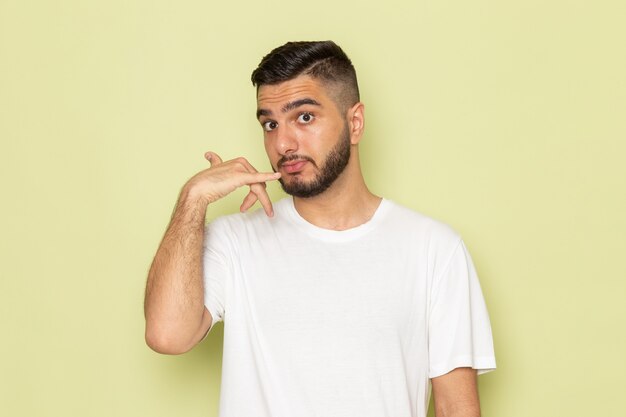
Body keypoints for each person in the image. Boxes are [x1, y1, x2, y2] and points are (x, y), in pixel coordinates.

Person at [144, 41, 496, 417]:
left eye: (305, 117)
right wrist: (193, 197)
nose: (283, 143)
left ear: (355, 122)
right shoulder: (234, 241)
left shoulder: (434, 249)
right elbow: (167, 335)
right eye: (270, 123)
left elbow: (456, 407)